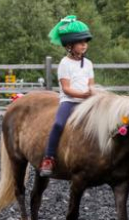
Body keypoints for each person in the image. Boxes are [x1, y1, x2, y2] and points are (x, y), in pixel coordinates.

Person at [39, 16, 95, 177]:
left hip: (87, 102)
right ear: (69, 45)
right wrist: (84, 94)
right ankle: (48, 158)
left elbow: (91, 84)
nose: (84, 44)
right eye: (80, 42)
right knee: (58, 124)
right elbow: (67, 89)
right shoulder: (65, 63)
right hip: (70, 101)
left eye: (86, 41)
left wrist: (93, 93)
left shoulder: (89, 64)